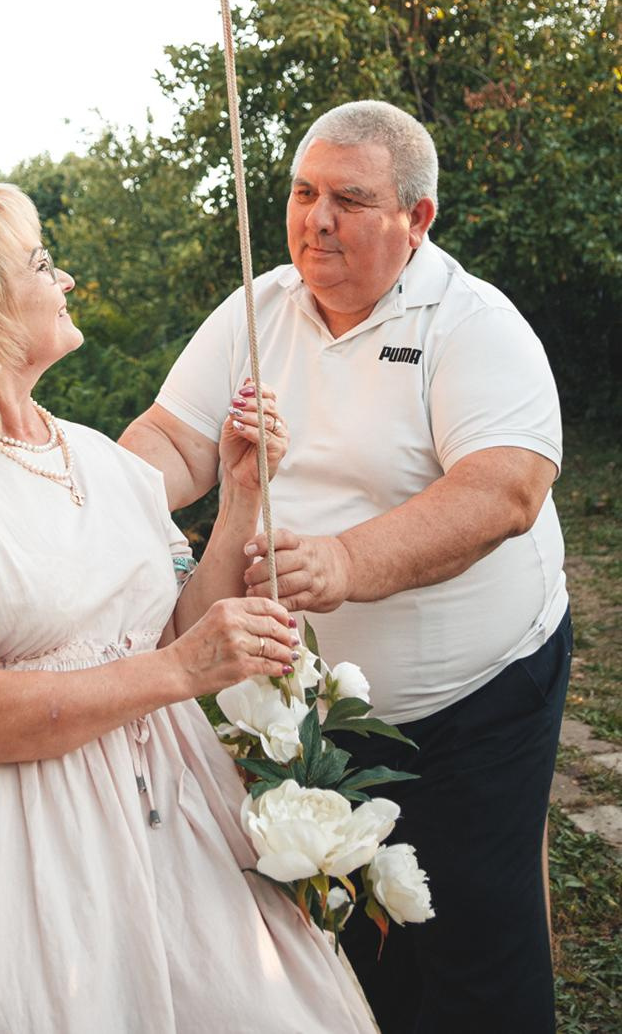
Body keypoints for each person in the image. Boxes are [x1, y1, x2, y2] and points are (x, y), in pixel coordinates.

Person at [0, 182, 375, 1034]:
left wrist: (242, 494)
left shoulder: (95, 456)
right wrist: (177, 669)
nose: (65, 281)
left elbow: (169, 631)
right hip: (1, 856)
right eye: (42, 263)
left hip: (171, 822)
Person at [122, 100, 569, 1034]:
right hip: (310, 706)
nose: (315, 219)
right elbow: (175, 438)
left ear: (418, 218)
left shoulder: (472, 323)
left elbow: (504, 492)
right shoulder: (259, 306)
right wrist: (99, 497)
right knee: (346, 936)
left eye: (351, 200)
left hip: (475, 702)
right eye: (303, 192)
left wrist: (345, 560)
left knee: (474, 937)